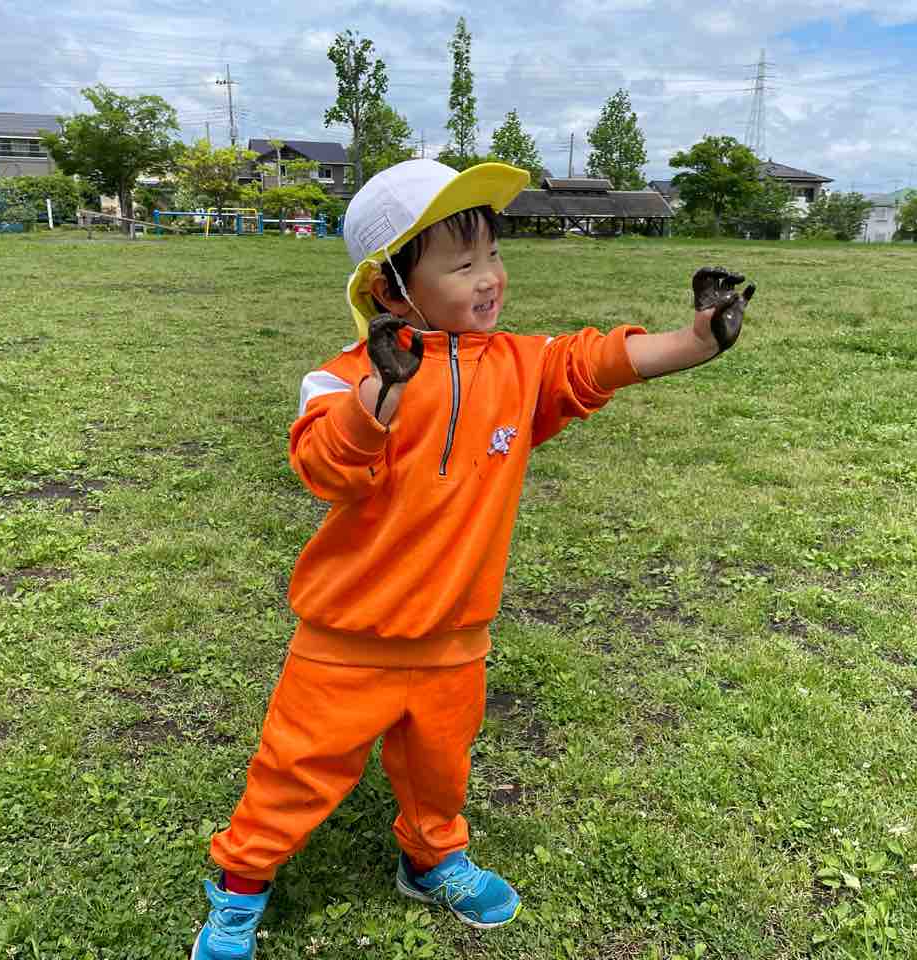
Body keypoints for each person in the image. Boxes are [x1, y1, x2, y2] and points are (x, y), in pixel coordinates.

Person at [191, 159, 754, 959]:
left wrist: (696, 340)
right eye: (461, 265)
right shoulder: (341, 378)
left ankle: (431, 861)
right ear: (391, 291)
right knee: (295, 772)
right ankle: (241, 885)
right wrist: (379, 398)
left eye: (492, 254)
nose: (489, 277)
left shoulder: (518, 365)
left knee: (439, 771)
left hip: (456, 639)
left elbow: (596, 362)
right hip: (347, 641)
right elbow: (325, 469)